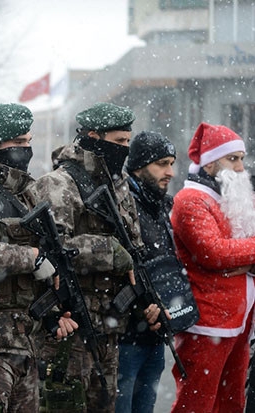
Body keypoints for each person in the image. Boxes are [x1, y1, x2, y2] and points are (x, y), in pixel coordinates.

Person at [29, 103, 163, 412]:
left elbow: (133, 248)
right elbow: (54, 250)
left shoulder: (118, 186)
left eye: (128, 142)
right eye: (118, 142)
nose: (124, 150)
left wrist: (145, 300)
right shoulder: (59, 183)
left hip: (110, 325)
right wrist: (109, 252)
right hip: (73, 323)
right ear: (93, 136)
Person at [0, 103, 77, 412]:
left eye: (29, 141)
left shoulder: (25, 192)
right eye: (19, 142)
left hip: (25, 345)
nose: (26, 149)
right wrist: (31, 256)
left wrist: (52, 312)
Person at [170, 122, 255, 413]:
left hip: (237, 321)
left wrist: (245, 260)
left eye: (242, 158)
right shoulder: (191, 200)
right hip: (208, 322)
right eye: (233, 159)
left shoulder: (229, 198)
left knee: (231, 402)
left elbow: (238, 250)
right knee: (197, 404)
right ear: (210, 163)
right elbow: (214, 253)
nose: (241, 167)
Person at [116, 131, 197, 413]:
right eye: (162, 163)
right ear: (138, 165)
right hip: (124, 336)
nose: (170, 172)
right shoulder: (122, 207)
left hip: (157, 332)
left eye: (172, 163)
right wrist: (141, 307)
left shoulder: (162, 205)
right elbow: (117, 268)